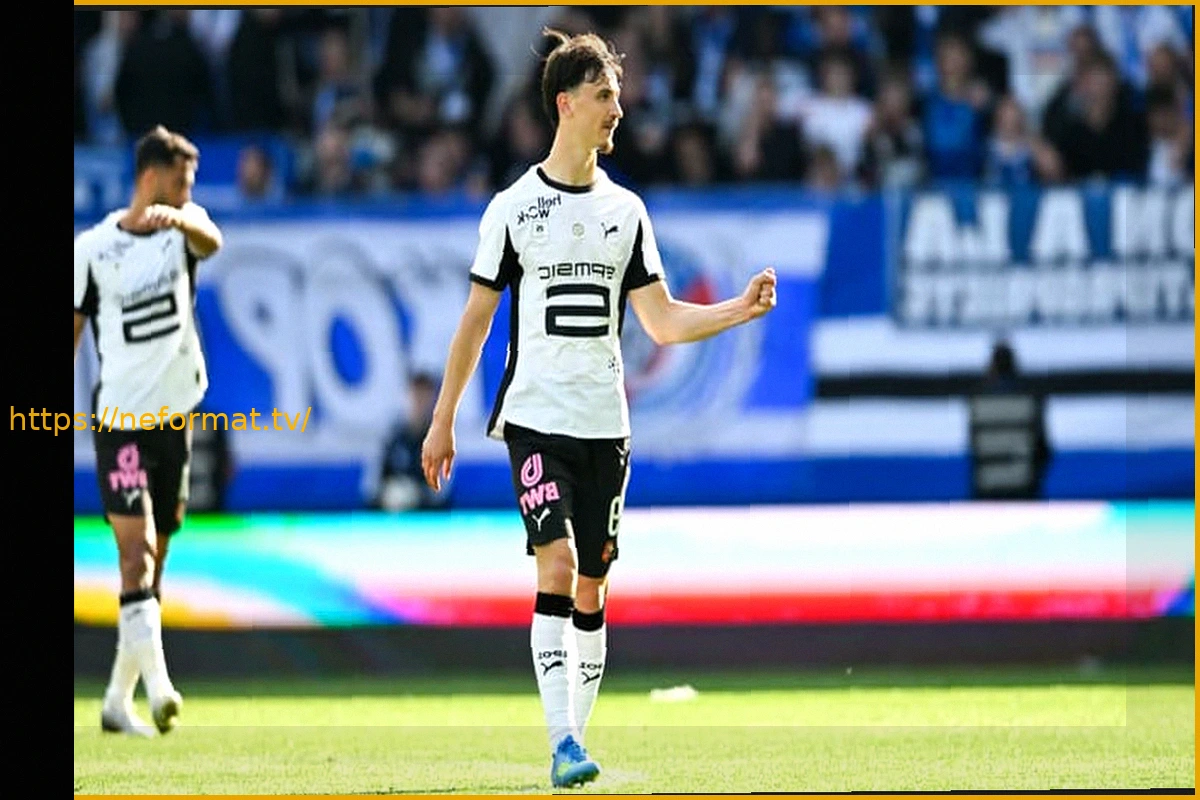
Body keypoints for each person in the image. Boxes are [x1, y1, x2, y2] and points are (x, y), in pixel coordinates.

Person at [420, 28, 777, 788]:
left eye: (617, 95)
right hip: (535, 419)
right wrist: (443, 418)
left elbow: (662, 322)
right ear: (566, 103)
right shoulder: (513, 209)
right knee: (557, 562)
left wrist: (738, 310)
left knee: (593, 585)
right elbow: (475, 322)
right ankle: (561, 743)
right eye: (605, 95)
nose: (619, 109)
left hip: (606, 426)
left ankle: (573, 742)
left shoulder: (626, 212)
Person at [73, 125, 223, 737]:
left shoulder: (185, 230)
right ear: (150, 176)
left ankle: (116, 699)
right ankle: (160, 690)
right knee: (134, 554)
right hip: (121, 424)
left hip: (175, 417)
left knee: (154, 566)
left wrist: (181, 218)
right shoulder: (92, 249)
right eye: (180, 183)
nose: (188, 193)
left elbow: (212, 241)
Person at [967, 341, 1051, 501]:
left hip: (987, 492)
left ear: (992, 367)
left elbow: (974, 448)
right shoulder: (1030, 399)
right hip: (1024, 491)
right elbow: (1043, 451)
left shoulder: (977, 400)